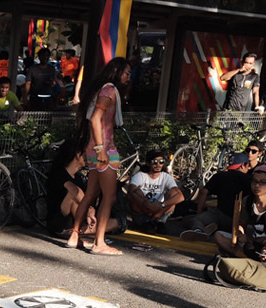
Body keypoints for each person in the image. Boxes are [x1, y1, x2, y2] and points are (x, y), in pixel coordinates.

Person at [65, 57, 131, 255]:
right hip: (105, 149)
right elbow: (96, 118)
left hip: (93, 149)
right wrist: (102, 148)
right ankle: (99, 242)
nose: (129, 76)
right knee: (108, 196)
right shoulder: (109, 90)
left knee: (92, 193)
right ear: (117, 72)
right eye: (127, 72)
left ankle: (74, 235)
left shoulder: (101, 88)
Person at [46, 139, 122, 237]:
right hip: (59, 220)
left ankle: (78, 230)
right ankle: (74, 230)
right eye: (85, 154)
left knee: (116, 223)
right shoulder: (59, 173)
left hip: (77, 219)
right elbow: (75, 191)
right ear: (77, 154)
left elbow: (85, 198)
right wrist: (89, 212)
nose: (87, 158)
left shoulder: (78, 178)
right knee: (73, 195)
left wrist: (91, 210)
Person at [212, 164, 266, 258]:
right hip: (252, 242)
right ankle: (248, 258)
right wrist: (240, 235)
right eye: (254, 181)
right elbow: (241, 224)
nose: (257, 185)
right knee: (219, 236)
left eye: (262, 182)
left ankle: (248, 257)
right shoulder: (247, 201)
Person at [180, 152, 251, 241]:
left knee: (194, 220)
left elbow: (204, 192)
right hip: (236, 221)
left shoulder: (219, 176)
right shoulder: (249, 180)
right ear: (243, 165)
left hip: (218, 213)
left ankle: (198, 230)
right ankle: (214, 229)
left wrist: (199, 212)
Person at [126, 149, 184, 232]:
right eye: (154, 162)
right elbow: (131, 192)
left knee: (173, 195)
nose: (158, 164)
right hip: (143, 209)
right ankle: (146, 222)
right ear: (148, 163)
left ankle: (158, 221)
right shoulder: (140, 175)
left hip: (159, 210)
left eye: (161, 161)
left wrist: (162, 205)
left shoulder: (166, 177)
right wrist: (146, 204)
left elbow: (180, 197)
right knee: (135, 192)